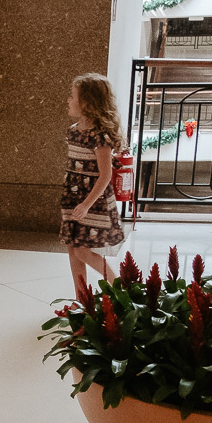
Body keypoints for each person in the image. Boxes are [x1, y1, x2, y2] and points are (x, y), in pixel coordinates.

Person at [62, 72, 127, 297]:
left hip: (93, 200)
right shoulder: (73, 131)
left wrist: (86, 204)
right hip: (73, 196)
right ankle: (82, 299)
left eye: (73, 97)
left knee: (82, 250)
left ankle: (121, 289)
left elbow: (105, 175)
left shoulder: (100, 137)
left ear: (87, 103)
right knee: (73, 249)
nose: (68, 100)